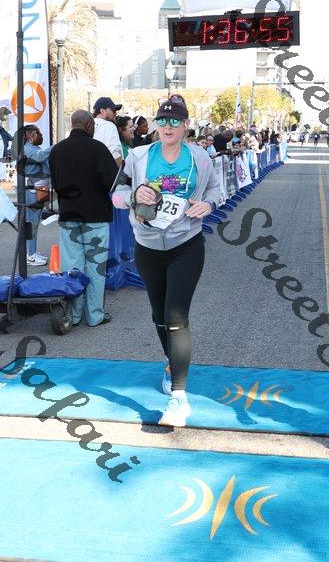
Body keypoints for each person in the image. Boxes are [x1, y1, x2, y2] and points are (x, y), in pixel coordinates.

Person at [112, 94, 220, 427]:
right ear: (156, 125)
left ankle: (179, 397)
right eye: (162, 120)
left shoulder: (200, 158)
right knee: (159, 316)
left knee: (175, 316)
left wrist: (209, 205)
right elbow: (116, 195)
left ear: (186, 125)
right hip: (147, 247)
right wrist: (133, 196)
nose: (168, 126)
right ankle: (171, 363)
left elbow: (217, 190)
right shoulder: (139, 156)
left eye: (175, 121)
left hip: (186, 245)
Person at [49, 110, 118, 326]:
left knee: (72, 267)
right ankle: (95, 315)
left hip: (68, 216)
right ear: (88, 126)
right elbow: (111, 182)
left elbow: (55, 183)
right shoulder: (98, 148)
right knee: (96, 266)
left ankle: (74, 314)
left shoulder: (57, 150)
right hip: (96, 216)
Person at [12, 125, 52, 266]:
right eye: (37, 132)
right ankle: (31, 255)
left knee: (33, 221)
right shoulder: (28, 149)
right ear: (30, 136)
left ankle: (32, 251)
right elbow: (40, 156)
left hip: (35, 188)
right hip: (30, 189)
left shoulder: (31, 148)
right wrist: (55, 147)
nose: (41, 135)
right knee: (31, 222)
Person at [93, 96, 123, 167]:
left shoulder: (88, 125)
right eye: (113, 111)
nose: (115, 114)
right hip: (106, 171)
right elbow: (115, 154)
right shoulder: (109, 126)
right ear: (102, 111)